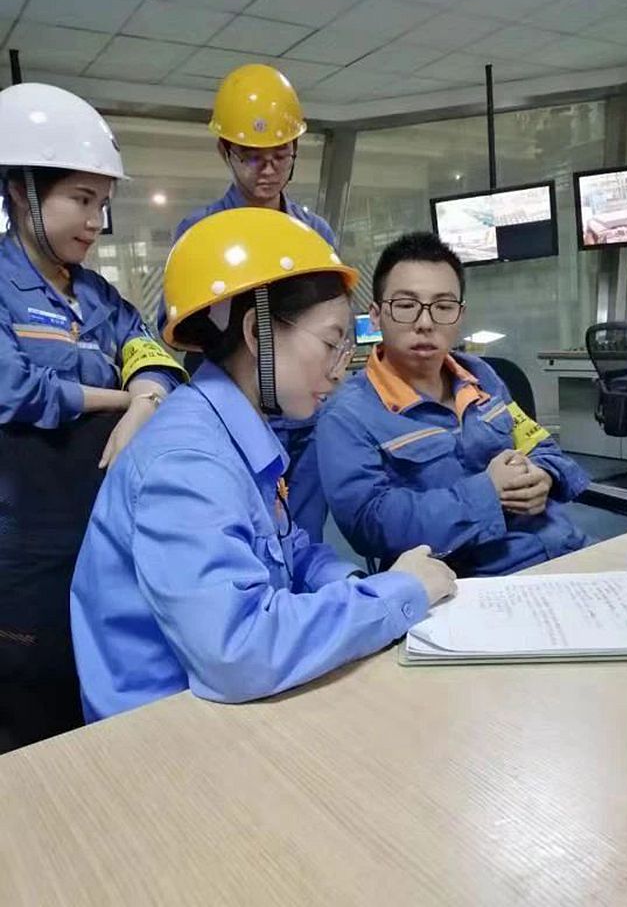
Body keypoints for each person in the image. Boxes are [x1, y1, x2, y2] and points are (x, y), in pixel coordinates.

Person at [71, 209, 455, 722]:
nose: (338, 372)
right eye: (330, 343)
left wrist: (353, 585)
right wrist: (397, 592)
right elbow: (237, 650)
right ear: (258, 333)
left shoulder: (233, 431)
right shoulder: (189, 462)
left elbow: (290, 552)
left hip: (223, 709)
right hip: (162, 732)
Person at [0, 82, 186, 752]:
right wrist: (123, 400)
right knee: (34, 711)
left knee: (105, 691)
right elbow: (16, 390)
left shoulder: (96, 293)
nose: (94, 221)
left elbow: (149, 347)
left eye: (101, 204)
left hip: (103, 531)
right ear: (20, 191)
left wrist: (152, 393)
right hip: (25, 548)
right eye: (81, 199)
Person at [317, 232, 591, 577]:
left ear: (460, 315)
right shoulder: (347, 415)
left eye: (443, 307)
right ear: (375, 316)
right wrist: (487, 493)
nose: (425, 323)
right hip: (474, 582)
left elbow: (540, 445)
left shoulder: (482, 377)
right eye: (406, 306)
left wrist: (545, 474)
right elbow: (368, 524)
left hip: (568, 549)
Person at [167, 62, 336, 544]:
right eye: (252, 158)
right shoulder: (201, 235)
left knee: (303, 540)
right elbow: (182, 331)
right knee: (244, 534)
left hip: (304, 417)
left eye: (280, 156)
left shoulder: (314, 234)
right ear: (225, 150)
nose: (268, 170)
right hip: (236, 414)